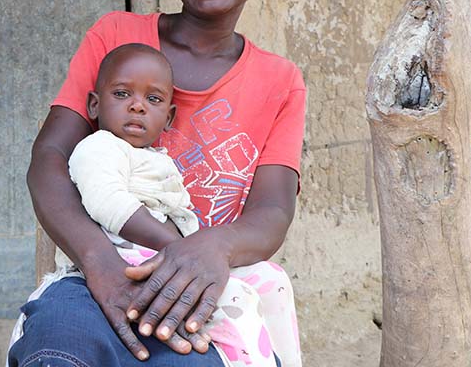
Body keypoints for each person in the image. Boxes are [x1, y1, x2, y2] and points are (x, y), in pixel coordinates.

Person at [9, 0, 306, 367]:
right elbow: (49, 159)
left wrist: (210, 248)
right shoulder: (117, 38)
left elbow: (272, 210)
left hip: (200, 283)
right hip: (99, 272)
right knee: (56, 347)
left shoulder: (280, 81)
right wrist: (98, 259)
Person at [63, 43, 301, 367]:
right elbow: (108, 202)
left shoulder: (157, 159)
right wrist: (181, 248)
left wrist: (199, 253)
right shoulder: (99, 147)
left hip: (170, 255)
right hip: (128, 258)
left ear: (169, 116)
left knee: (272, 280)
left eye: (153, 99)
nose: (137, 107)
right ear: (94, 104)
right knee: (237, 300)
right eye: (122, 94)